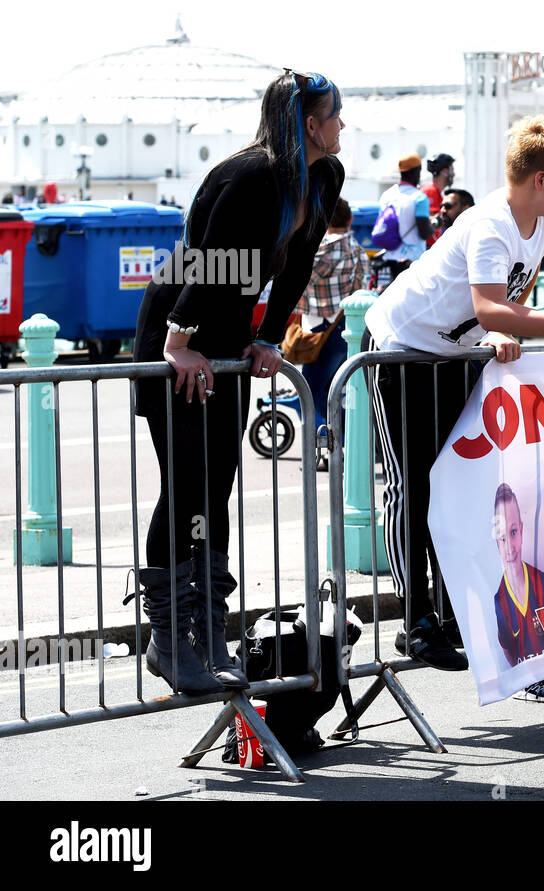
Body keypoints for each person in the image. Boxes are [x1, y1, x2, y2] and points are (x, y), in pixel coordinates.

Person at [364, 114, 544, 685]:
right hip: (400, 349)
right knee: (411, 484)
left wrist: (502, 332)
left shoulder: (538, 223)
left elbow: (505, 307)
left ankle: (456, 614)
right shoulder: (492, 223)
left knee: (464, 483)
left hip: (452, 356)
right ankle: (417, 618)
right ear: (541, 180)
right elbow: (491, 307)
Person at [131, 70, 345, 694]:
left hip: (225, 341)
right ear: (310, 123)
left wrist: (268, 338)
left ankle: (208, 630)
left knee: (216, 488)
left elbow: (297, 263)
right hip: (179, 326)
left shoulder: (323, 176)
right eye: (335, 114)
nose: (341, 124)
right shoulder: (251, 175)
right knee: (187, 487)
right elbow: (204, 257)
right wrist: (180, 341)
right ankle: (169, 640)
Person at [296, 196, 367, 463]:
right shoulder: (357, 249)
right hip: (348, 326)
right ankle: (344, 445)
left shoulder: (314, 250)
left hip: (318, 327)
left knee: (311, 391)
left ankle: (319, 449)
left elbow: (296, 279)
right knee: (334, 392)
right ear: (349, 220)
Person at [492, 484, 544, 689]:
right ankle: (528, 684)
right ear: (496, 542)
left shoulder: (543, 582)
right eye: (502, 537)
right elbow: (508, 649)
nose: (509, 546)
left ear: (522, 530)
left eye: (514, 532)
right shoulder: (499, 600)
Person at [377, 153, 434, 283]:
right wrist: (435, 225)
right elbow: (424, 232)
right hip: (413, 261)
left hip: (391, 257)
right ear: (417, 171)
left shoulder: (386, 195)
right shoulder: (419, 198)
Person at [421, 153, 456, 246]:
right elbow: (427, 220)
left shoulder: (436, 192)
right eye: (452, 169)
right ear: (445, 171)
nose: (454, 174)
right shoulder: (430, 191)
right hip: (426, 248)